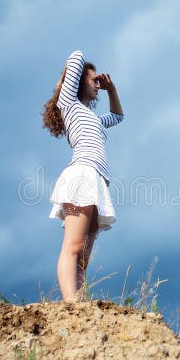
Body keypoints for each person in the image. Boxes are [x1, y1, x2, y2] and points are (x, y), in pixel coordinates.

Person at [41, 49, 125, 302]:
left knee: (84, 255)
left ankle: (79, 301)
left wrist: (111, 90)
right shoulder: (69, 104)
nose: (97, 85)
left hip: (97, 180)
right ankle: (71, 305)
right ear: (77, 82)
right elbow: (76, 55)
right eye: (93, 81)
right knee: (73, 246)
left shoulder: (94, 118)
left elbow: (119, 116)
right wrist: (69, 75)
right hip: (81, 175)